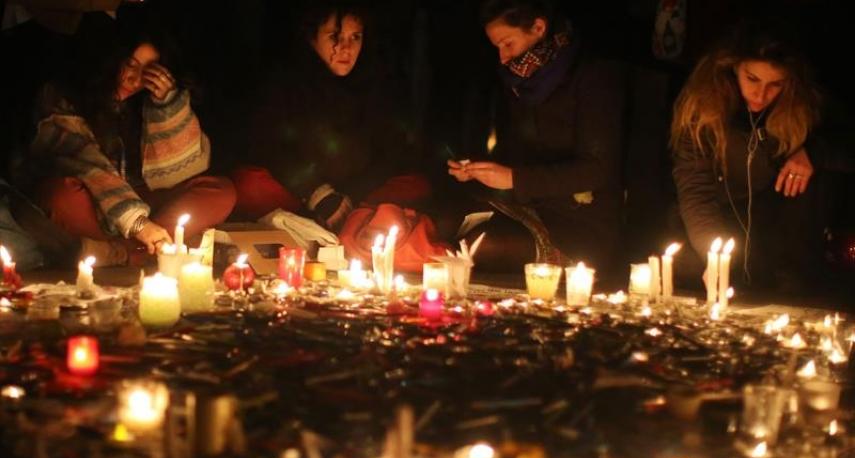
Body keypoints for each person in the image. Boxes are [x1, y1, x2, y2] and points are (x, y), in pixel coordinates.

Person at [16, 23, 235, 266]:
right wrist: (138, 223)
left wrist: (167, 106)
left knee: (220, 191)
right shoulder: (62, 94)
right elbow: (84, 162)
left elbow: (181, 172)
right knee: (60, 196)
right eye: (130, 64)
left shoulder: (145, 101)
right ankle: (151, 252)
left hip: (141, 203)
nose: (135, 79)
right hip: (95, 202)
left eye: (149, 69)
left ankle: (120, 254)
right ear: (110, 60)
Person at [448, 0, 626, 273]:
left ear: (538, 27)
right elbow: (517, 150)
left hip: (577, 224)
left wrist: (514, 178)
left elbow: (597, 169)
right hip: (526, 207)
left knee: (481, 245)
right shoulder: (519, 81)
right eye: (497, 48)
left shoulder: (592, 77)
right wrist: (477, 169)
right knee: (444, 223)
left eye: (508, 44)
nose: (503, 58)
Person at [233, 0, 430, 231]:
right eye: (334, 37)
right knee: (249, 182)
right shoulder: (286, 82)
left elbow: (391, 151)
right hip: (302, 196)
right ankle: (351, 228)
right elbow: (270, 146)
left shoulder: (377, 82)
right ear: (310, 37)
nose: (346, 48)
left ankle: (355, 223)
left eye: (355, 37)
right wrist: (318, 194)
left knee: (416, 185)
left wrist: (351, 197)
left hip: (358, 197)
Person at [670, 22, 826, 290]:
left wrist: (811, 152)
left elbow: (842, 140)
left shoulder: (799, 109)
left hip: (769, 226)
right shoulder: (703, 109)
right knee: (694, 268)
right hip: (713, 217)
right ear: (733, 67)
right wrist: (714, 257)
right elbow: (696, 190)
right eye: (752, 79)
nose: (761, 94)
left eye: (775, 84)